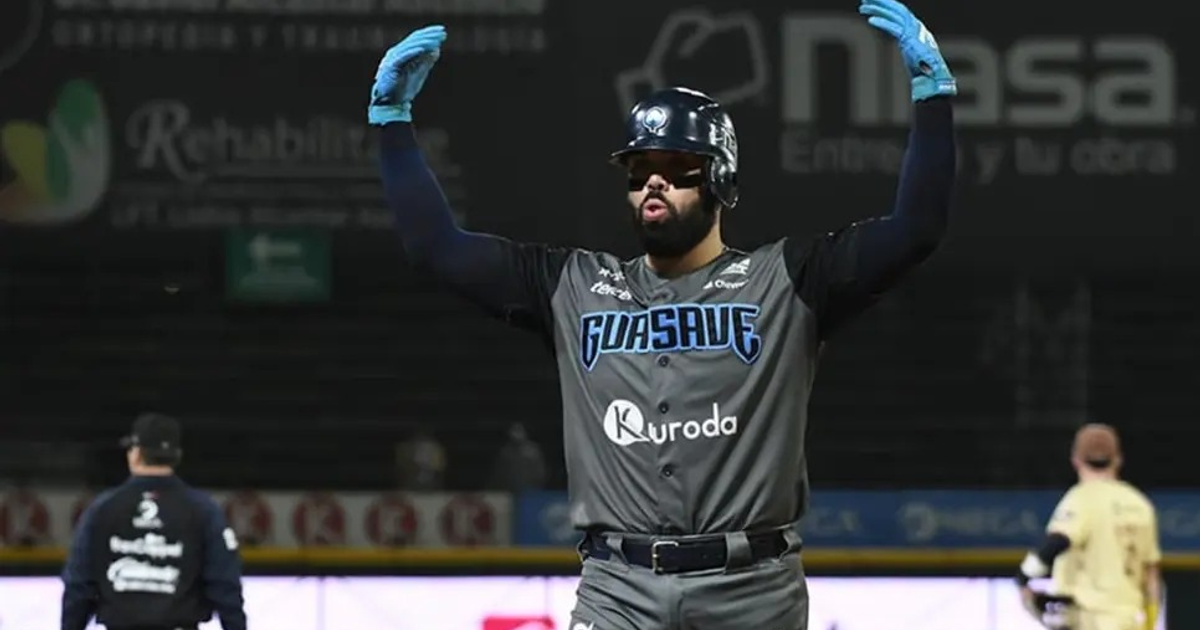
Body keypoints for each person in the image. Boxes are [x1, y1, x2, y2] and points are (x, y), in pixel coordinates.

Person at [368, 0, 957, 626]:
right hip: (617, 588)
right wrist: (392, 124)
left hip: (750, 591)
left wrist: (933, 98)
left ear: (720, 180)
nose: (653, 182)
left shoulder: (786, 279)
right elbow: (436, 248)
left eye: (677, 168)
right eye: (639, 170)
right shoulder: (573, 285)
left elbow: (916, 230)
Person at [60, 413, 247, 630]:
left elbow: (78, 586)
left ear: (136, 453)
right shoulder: (203, 510)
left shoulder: (102, 509)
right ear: (176, 456)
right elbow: (225, 586)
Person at [1017, 424, 1163, 630]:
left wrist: (1024, 576)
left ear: (1076, 460)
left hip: (1090, 619)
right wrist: (1149, 622)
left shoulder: (1081, 498)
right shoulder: (1140, 504)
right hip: (1129, 619)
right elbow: (1152, 578)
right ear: (1117, 459)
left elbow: (1056, 543)